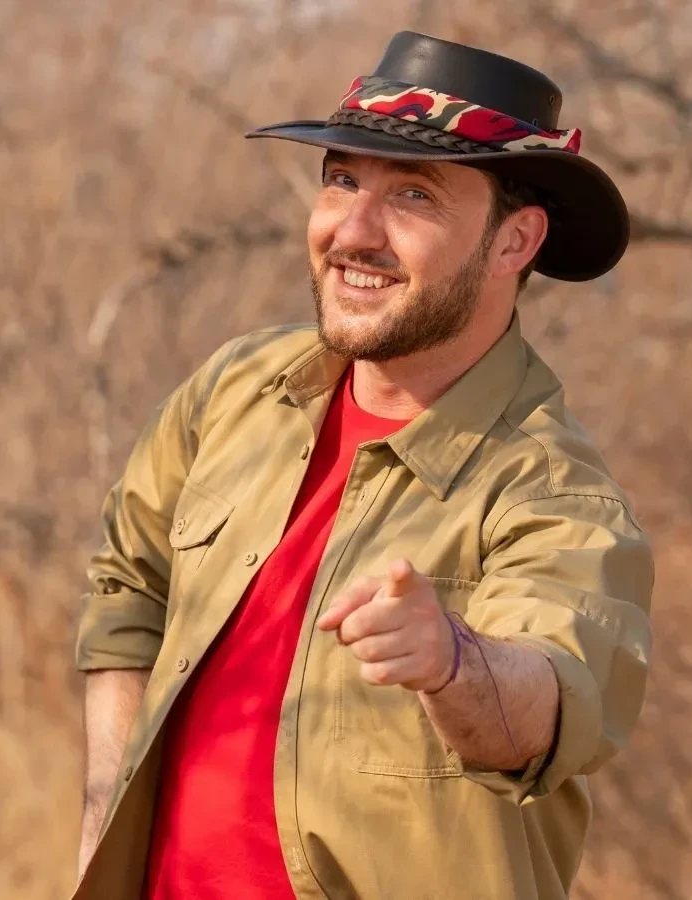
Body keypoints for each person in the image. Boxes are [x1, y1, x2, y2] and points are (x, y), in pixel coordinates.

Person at [71, 30, 654, 900]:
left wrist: (454, 662)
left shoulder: (551, 492)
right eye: (342, 180)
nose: (353, 231)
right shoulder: (237, 391)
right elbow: (129, 593)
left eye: (413, 195)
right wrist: (98, 840)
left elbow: (550, 703)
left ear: (513, 242)